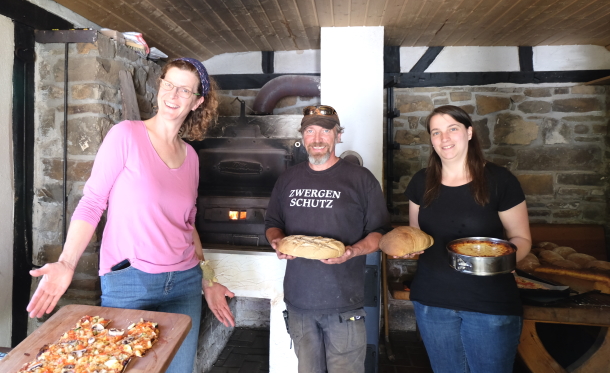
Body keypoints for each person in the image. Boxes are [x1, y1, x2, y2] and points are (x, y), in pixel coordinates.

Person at [26, 58, 235, 373]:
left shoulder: (191, 157)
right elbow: (93, 201)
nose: (172, 95)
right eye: (168, 84)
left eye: (184, 90)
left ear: (197, 101)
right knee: (121, 367)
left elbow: (188, 225)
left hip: (184, 284)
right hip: (130, 281)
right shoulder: (126, 135)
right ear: (159, 84)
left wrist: (208, 279)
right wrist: (67, 262)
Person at [401, 105, 531, 373]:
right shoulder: (421, 182)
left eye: (452, 129)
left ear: (469, 132)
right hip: (432, 302)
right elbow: (416, 236)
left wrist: (500, 263)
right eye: (436, 132)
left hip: (489, 303)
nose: (444, 138)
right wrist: (408, 250)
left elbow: (521, 238)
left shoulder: (500, 181)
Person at [265, 105, 391, 373]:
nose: (318, 138)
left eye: (325, 130)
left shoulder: (361, 179)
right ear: (302, 136)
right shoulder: (288, 178)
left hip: (344, 304)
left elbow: (379, 233)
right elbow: (273, 223)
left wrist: (352, 251)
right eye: (310, 130)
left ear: (338, 135)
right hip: (299, 303)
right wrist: (277, 242)